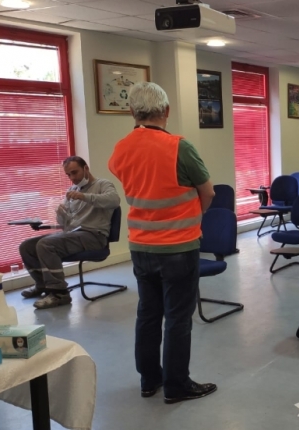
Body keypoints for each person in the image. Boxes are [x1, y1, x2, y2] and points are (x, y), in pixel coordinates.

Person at [108, 82, 217, 405]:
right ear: (166, 110)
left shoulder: (121, 148)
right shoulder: (179, 147)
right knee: (178, 318)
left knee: (148, 314)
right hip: (178, 248)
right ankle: (177, 385)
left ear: (132, 111)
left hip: (140, 247)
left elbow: (131, 180)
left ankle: (149, 379)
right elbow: (208, 191)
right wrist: (193, 217)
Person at [19, 156, 120, 309]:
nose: (72, 178)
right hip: (74, 234)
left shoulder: (103, 184)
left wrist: (84, 196)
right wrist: (60, 213)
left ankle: (59, 293)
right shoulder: (72, 191)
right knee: (27, 246)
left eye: (75, 172)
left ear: (86, 168)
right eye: (68, 175)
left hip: (94, 236)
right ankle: (42, 285)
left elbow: (114, 200)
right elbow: (66, 223)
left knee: (46, 244)